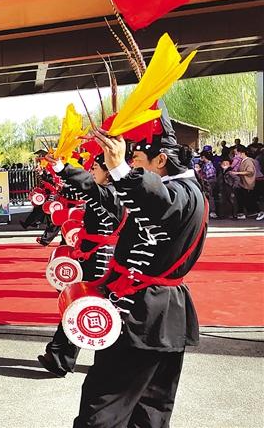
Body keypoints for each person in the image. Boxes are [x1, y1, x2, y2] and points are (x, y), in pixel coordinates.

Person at [75, 90, 208, 426]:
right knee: (150, 411)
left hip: (144, 316)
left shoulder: (180, 195)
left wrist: (119, 167)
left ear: (160, 160)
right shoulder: (190, 193)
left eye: (139, 160)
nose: (135, 165)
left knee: (102, 408)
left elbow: (155, 199)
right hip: (162, 315)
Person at [38, 154, 121, 377]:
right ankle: (60, 357)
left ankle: (61, 358)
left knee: (84, 305)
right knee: (84, 306)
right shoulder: (114, 193)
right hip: (99, 256)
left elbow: (86, 185)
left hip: (100, 259)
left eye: (95, 167)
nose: (92, 171)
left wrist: (62, 167)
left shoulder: (109, 193)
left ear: (108, 170)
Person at [229, 145, 259, 219]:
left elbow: (250, 171)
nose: (236, 155)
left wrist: (237, 173)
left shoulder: (248, 161)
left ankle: (256, 212)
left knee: (248, 200)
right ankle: (243, 213)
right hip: (243, 183)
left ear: (241, 153)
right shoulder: (243, 161)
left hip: (248, 184)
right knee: (243, 199)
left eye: (236, 153)